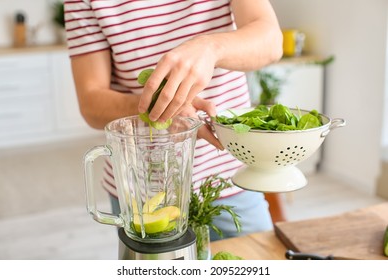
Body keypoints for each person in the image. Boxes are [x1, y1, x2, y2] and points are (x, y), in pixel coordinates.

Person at [64, 0, 283, 241]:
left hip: (232, 177)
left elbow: (271, 41)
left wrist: (210, 48)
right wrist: (160, 105)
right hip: (144, 193)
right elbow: (91, 104)